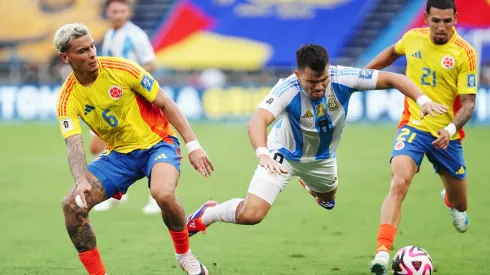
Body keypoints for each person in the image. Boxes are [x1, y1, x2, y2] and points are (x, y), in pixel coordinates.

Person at [185, 45, 447, 249]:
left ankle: (312, 187)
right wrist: (263, 154)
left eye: (323, 79)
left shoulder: (344, 77)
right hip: (281, 156)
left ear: (329, 70)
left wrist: (422, 100)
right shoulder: (286, 89)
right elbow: (257, 121)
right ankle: (208, 214)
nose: (319, 87)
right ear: (298, 75)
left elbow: (394, 79)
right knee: (252, 214)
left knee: (329, 199)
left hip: (322, 160)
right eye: (312, 82)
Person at [54, 23, 213, 275]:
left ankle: (185, 255)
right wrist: (81, 179)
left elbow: (166, 103)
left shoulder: (121, 68)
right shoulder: (67, 97)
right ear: (66, 57)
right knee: (72, 206)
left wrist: (193, 145)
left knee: (162, 193)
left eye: (92, 46)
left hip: (157, 144)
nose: (92, 53)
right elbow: (73, 144)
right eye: (83, 51)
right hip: (118, 157)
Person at [364, 0, 477, 274]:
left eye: (447, 21)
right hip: (413, 126)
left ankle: (450, 201)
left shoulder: (465, 53)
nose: (441, 27)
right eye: (435, 20)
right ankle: (381, 253)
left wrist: (449, 131)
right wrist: (361, 76)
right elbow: (391, 53)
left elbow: (469, 104)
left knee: (461, 203)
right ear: (425, 18)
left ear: (455, 19)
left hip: (447, 135)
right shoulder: (413, 38)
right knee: (399, 182)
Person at [91, 0, 159, 213]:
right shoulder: (110, 34)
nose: (118, 14)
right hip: (111, 99)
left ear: (128, 12)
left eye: (122, 10)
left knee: (147, 147)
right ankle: (113, 194)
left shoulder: (136, 35)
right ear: (108, 13)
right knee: (102, 145)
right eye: (114, 11)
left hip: (132, 98)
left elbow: (150, 62)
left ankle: (156, 197)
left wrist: (132, 81)